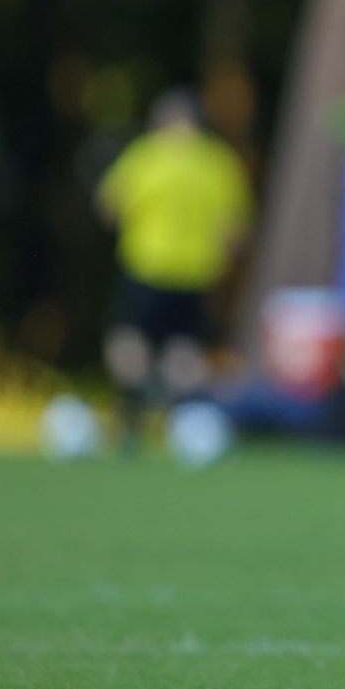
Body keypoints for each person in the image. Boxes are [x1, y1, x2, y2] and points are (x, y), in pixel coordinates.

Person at [97, 89, 253, 451]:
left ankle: (131, 416)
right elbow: (236, 231)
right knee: (183, 350)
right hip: (195, 275)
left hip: (145, 268)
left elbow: (109, 206)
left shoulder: (146, 155)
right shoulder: (217, 161)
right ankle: (181, 425)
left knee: (128, 340)